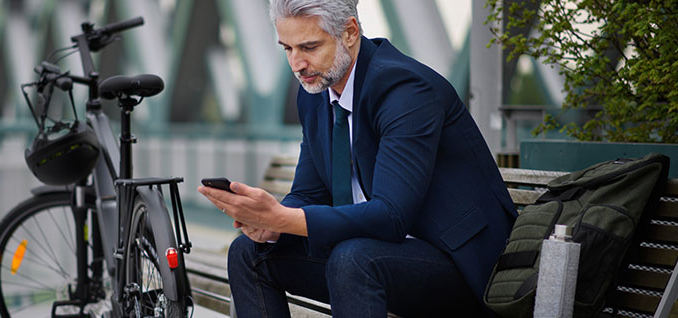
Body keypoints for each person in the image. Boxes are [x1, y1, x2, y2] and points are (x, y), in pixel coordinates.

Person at [196, 0, 517, 316]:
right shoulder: (316, 94)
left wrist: (282, 219)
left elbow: (391, 216)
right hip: (367, 261)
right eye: (287, 49)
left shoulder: (406, 91)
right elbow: (308, 193)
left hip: (459, 267)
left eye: (308, 47)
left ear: (350, 32)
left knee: (352, 259)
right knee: (249, 252)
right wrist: (272, 224)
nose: (297, 64)